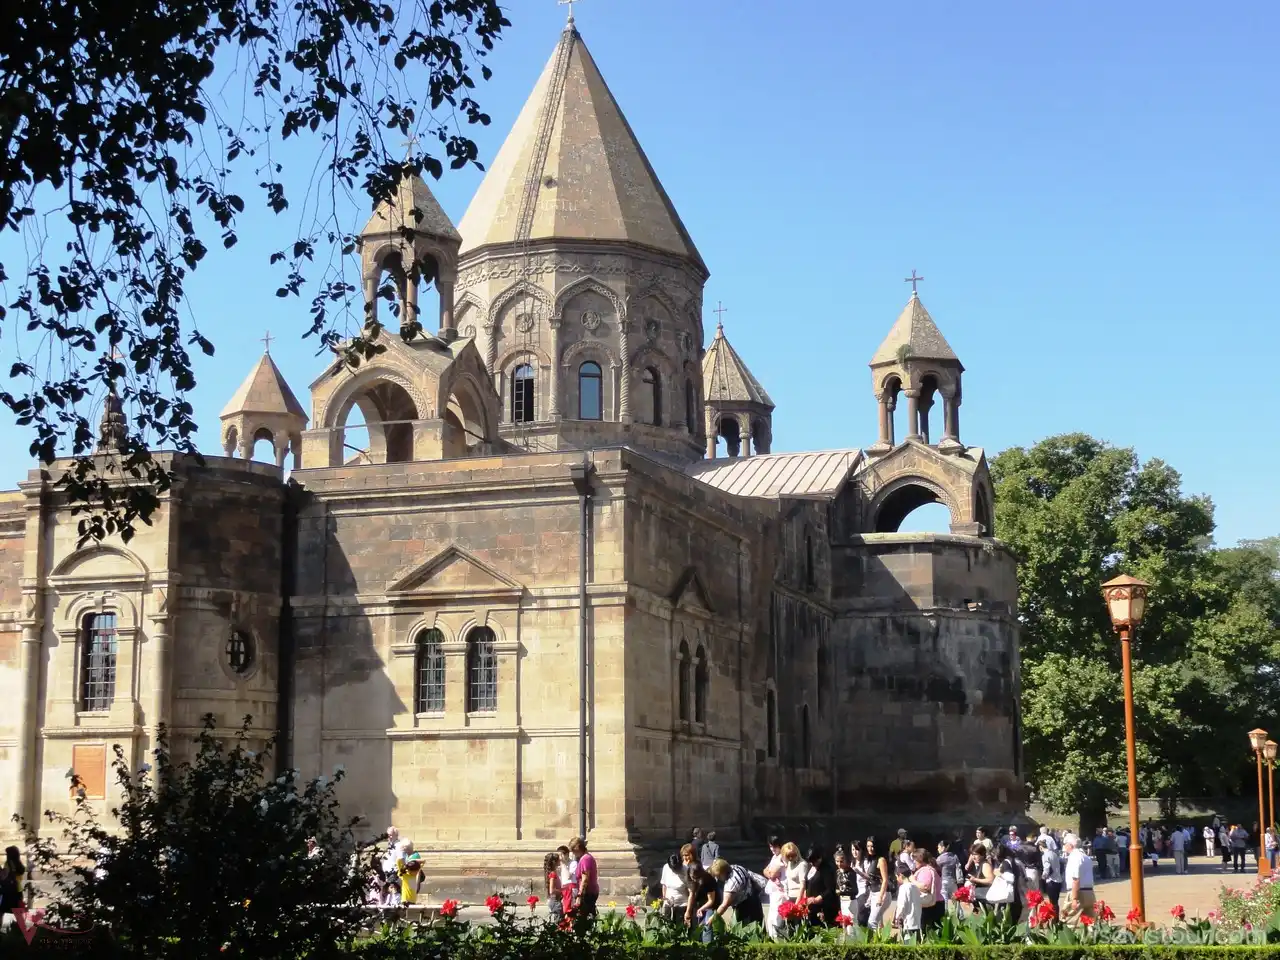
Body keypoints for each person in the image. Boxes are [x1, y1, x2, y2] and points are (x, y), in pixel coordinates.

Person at [708, 859, 767, 927]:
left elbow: (724, 905)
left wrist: (713, 918)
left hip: (745, 907)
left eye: (718, 876)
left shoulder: (731, 884)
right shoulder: (735, 867)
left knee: (748, 929)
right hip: (754, 898)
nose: (718, 878)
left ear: (723, 873)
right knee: (759, 925)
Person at [860, 837, 894, 930]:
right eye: (868, 846)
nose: (870, 848)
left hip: (882, 893)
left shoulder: (881, 860)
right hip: (874, 893)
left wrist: (880, 897)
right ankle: (880, 938)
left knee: (872, 922)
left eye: (872, 846)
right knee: (878, 923)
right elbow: (873, 878)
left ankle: (873, 939)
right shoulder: (871, 860)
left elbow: (885, 879)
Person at [1061, 834, 1095, 923]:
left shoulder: (1074, 857)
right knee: (1090, 921)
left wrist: (1074, 898)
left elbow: (1076, 878)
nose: (1064, 846)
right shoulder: (1085, 856)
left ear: (1070, 845)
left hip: (1078, 892)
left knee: (1069, 921)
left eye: (1065, 844)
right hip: (1089, 892)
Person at [802, 846, 837, 927]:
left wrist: (816, 899)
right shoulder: (810, 867)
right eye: (810, 862)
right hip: (811, 906)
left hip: (822, 906)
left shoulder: (826, 869)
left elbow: (830, 889)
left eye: (814, 861)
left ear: (820, 858)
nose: (812, 864)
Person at [910, 848, 942, 931]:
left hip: (930, 905)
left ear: (920, 860)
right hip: (935, 904)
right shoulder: (928, 869)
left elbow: (925, 887)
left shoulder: (926, 871)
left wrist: (912, 880)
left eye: (915, 860)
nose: (914, 862)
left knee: (927, 931)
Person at [684, 862, 718, 938]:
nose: (694, 880)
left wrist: (701, 908)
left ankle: (707, 944)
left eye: (697, 878)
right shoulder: (689, 878)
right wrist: (688, 911)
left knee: (707, 925)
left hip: (709, 905)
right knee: (697, 928)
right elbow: (691, 895)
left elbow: (711, 900)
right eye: (692, 877)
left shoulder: (709, 880)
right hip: (698, 904)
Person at [569, 836, 599, 921]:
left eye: (573, 850)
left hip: (588, 893)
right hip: (589, 892)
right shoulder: (587, 857)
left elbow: (585, 879)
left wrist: (579, 896)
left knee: (585, 918)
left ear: (577, 848)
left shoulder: (585, 859)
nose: (573, 853)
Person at [893, 862, 922, 941]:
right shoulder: (915, 887)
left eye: (897, 876)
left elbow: (901, 905)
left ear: (901, 875)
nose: (897, 879)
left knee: (908, 943)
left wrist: (897, 917)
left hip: (907, 923)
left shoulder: (903, 888)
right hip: (917, 922)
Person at [1038, 834, 1063, 916]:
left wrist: (1042, 877)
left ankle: (1053, 919)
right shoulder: (1054, 854)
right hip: (1058, 880)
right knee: (1055, 902)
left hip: (1051, 881)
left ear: (1041, 847)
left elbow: (1047, 869)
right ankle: (1056, 918)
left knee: (1052, 903)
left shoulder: (1045, 856)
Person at [660, 853, 687, 920]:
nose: (674, 871)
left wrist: (689, 910)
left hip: (682, 904)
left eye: (676, 869)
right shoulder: (666, 867)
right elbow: (664, 884)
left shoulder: (686, 870)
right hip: (668, 904)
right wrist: (664, 898)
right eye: (672, 869)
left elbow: (691, 891)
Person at [936, 840, 962, 907]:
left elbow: (936, 868)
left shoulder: (940, 858)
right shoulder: (955, 856)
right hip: (953, 880)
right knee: (956, 898)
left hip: (943, 880)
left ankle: (945, 912)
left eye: (939, 847)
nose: (938, 849)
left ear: (943, 848)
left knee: (944, 899)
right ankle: (959, 912)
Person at [557, 845, 577, 915]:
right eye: (559, 855)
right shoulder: (561, 864)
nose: (560, 858)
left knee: (569, 909)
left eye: (561, 855)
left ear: (567, 854)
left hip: (570, 887)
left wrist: (564, 865)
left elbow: (569, 876)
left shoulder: (573, 863)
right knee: (564, 908)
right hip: (564, 887)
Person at [546, 851, 565, 919]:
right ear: (554, 862)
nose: (560, 860)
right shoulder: (553, 874)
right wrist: (562, 891)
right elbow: (552, 890)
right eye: (558, 859)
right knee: (559, 920)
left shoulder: (553, 872)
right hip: (555, 901)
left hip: (556, 900)